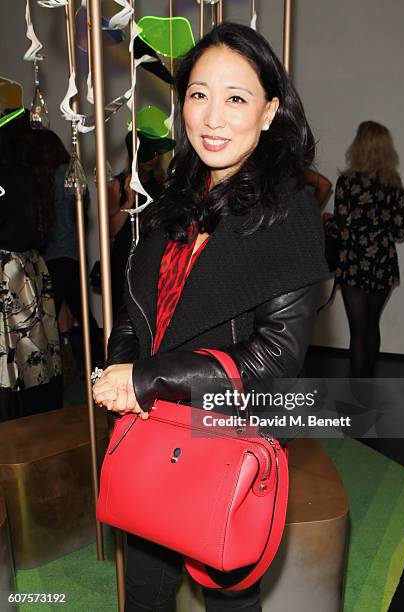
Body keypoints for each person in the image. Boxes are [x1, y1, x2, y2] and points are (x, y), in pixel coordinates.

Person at [92, 23, 329, 611]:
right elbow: (137, 315)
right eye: (199, 94)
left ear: (270, 111)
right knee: (143, 591)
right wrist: (123, 371)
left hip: (227, 440)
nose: (213, 117)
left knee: (227, 598)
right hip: (150, 433)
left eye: (236, 98)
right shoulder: (175, 199)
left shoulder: (289, 211)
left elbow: (275, 358)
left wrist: (146, 378)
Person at [324, 121, 404, 377]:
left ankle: (357, 390)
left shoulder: (347, 182)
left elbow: (342, 226)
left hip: (353, 262)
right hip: (383, 263)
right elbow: (400, 231)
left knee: (358, 330)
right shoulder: (394, 185)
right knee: (372, 325)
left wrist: (328, 221)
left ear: (358, 146)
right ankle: (369, 385)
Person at [0, 114, 62, 421]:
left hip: (9, 272)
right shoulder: (37, 176)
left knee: (13, 353)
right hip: (30, 268)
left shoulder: (6, 176)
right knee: (35, 352)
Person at [36, 128, 104, 369]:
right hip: (73, 253)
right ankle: (98, 360)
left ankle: (55, 366)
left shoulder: (47, 178)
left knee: (47, 317)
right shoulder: (72, 173)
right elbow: (82, 215)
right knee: (83, 314)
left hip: (53, 255)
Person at [108, 132, 175, 314]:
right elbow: (110, 230)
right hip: (123, 259)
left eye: (155, 154)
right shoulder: (117, 184)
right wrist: (129, 201)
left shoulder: (163, 186)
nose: (152, 159)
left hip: (151, 257)